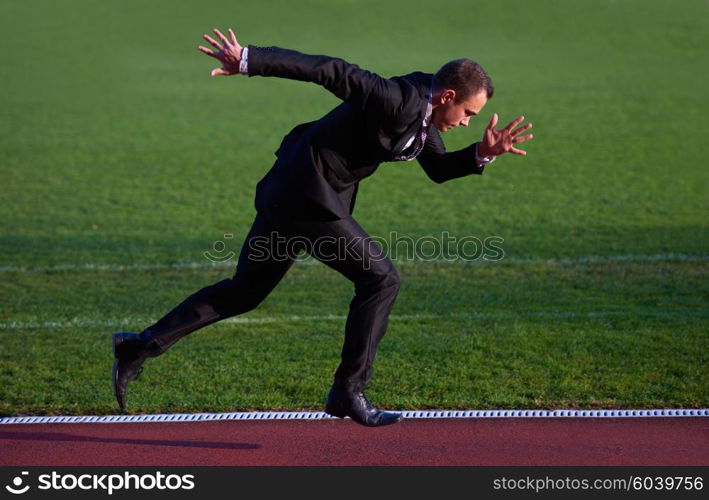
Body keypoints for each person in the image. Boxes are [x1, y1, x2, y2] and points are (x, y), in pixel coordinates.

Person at [112, 28, 533, 427]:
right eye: (469, 114)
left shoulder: (425, 116)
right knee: (381, 280)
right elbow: (330, 70)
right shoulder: (396, 99)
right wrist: (249, 60)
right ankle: (348, 392)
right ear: (447, 96)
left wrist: (480, 153)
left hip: (292, 192)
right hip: (306, 198)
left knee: (244, 292)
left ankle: (137, 347)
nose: (466, 122)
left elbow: (438, 169)